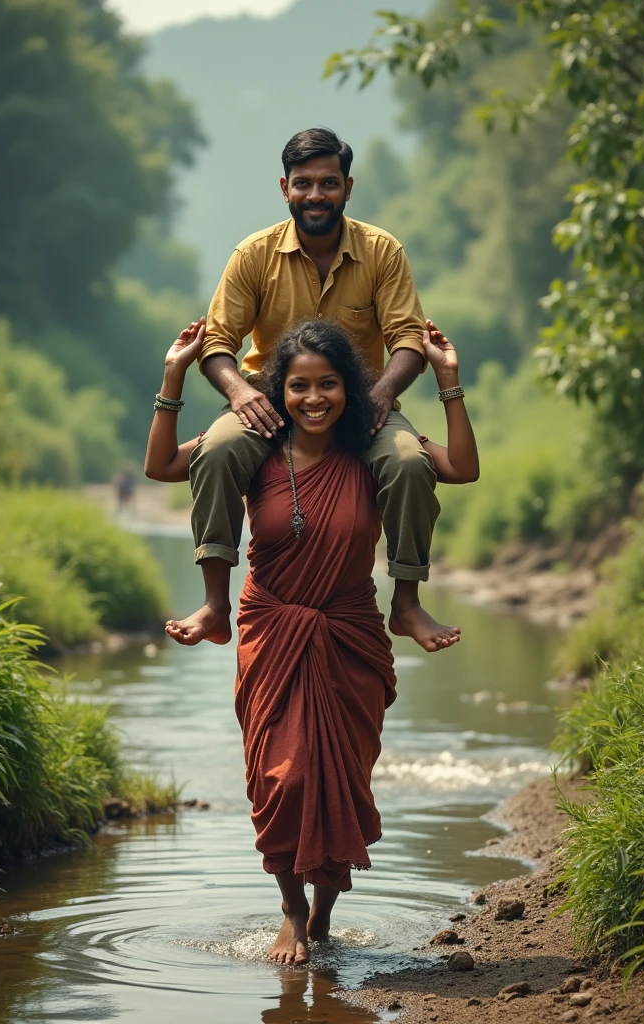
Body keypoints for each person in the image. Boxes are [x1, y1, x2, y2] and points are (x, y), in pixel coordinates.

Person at [144, 318, 478, 966]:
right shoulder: (257, 452)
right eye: (299, 386)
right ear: (280, 390)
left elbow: (460, 467)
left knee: (342, 785)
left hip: (350, 633)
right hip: (271, 629)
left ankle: (323, 913)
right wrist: (173, 374)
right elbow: (161, 465)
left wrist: (448, 377)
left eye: (328, 384)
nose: (314, 398)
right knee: (284, 780)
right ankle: (292, 912)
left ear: (350, 389)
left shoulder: (372, 451)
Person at [164, 127, 479, 655]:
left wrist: (379, 396)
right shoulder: (253, 254)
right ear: (284, 188)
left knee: (407, 464)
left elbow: (408, 338)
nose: (316, 195)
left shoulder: (382, 251)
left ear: (348, 187)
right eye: (303, 184)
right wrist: (241, 395)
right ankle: (216, 603)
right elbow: (217, 341)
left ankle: (405, 601)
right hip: (267, 401)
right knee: (216, 452)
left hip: (363, 404)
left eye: (328, 183)